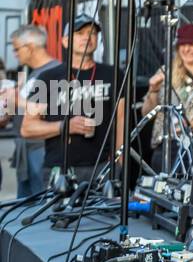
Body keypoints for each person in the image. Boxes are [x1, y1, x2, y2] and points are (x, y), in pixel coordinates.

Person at [22, 16, 125, 187]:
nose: (87, 37)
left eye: (92, 33)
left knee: (103, 214)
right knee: (59, 214)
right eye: (80, 33)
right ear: (65, 41)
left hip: (102, 168)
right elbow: (27, 128)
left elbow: (121, 119)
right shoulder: (48, 77)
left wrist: (120, 161)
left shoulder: (113, 74)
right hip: (60, 169)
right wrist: (65, 127)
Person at [140, 23, 193, 174]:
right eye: (182, 44)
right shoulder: (165, 72)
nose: (186, 49)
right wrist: (153, 91)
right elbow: (146, 113)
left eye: (191, 44)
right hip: (167, 148)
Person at [6, 25, 62, 197]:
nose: (15, 54)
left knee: (42, 203)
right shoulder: (32, 74)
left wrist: (17, 100)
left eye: (16, 49)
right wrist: (8, 105)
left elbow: (54, 110)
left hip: (42, 149)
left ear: (29, 47)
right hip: (27, 149)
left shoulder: (55, 72)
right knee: (23, 208)